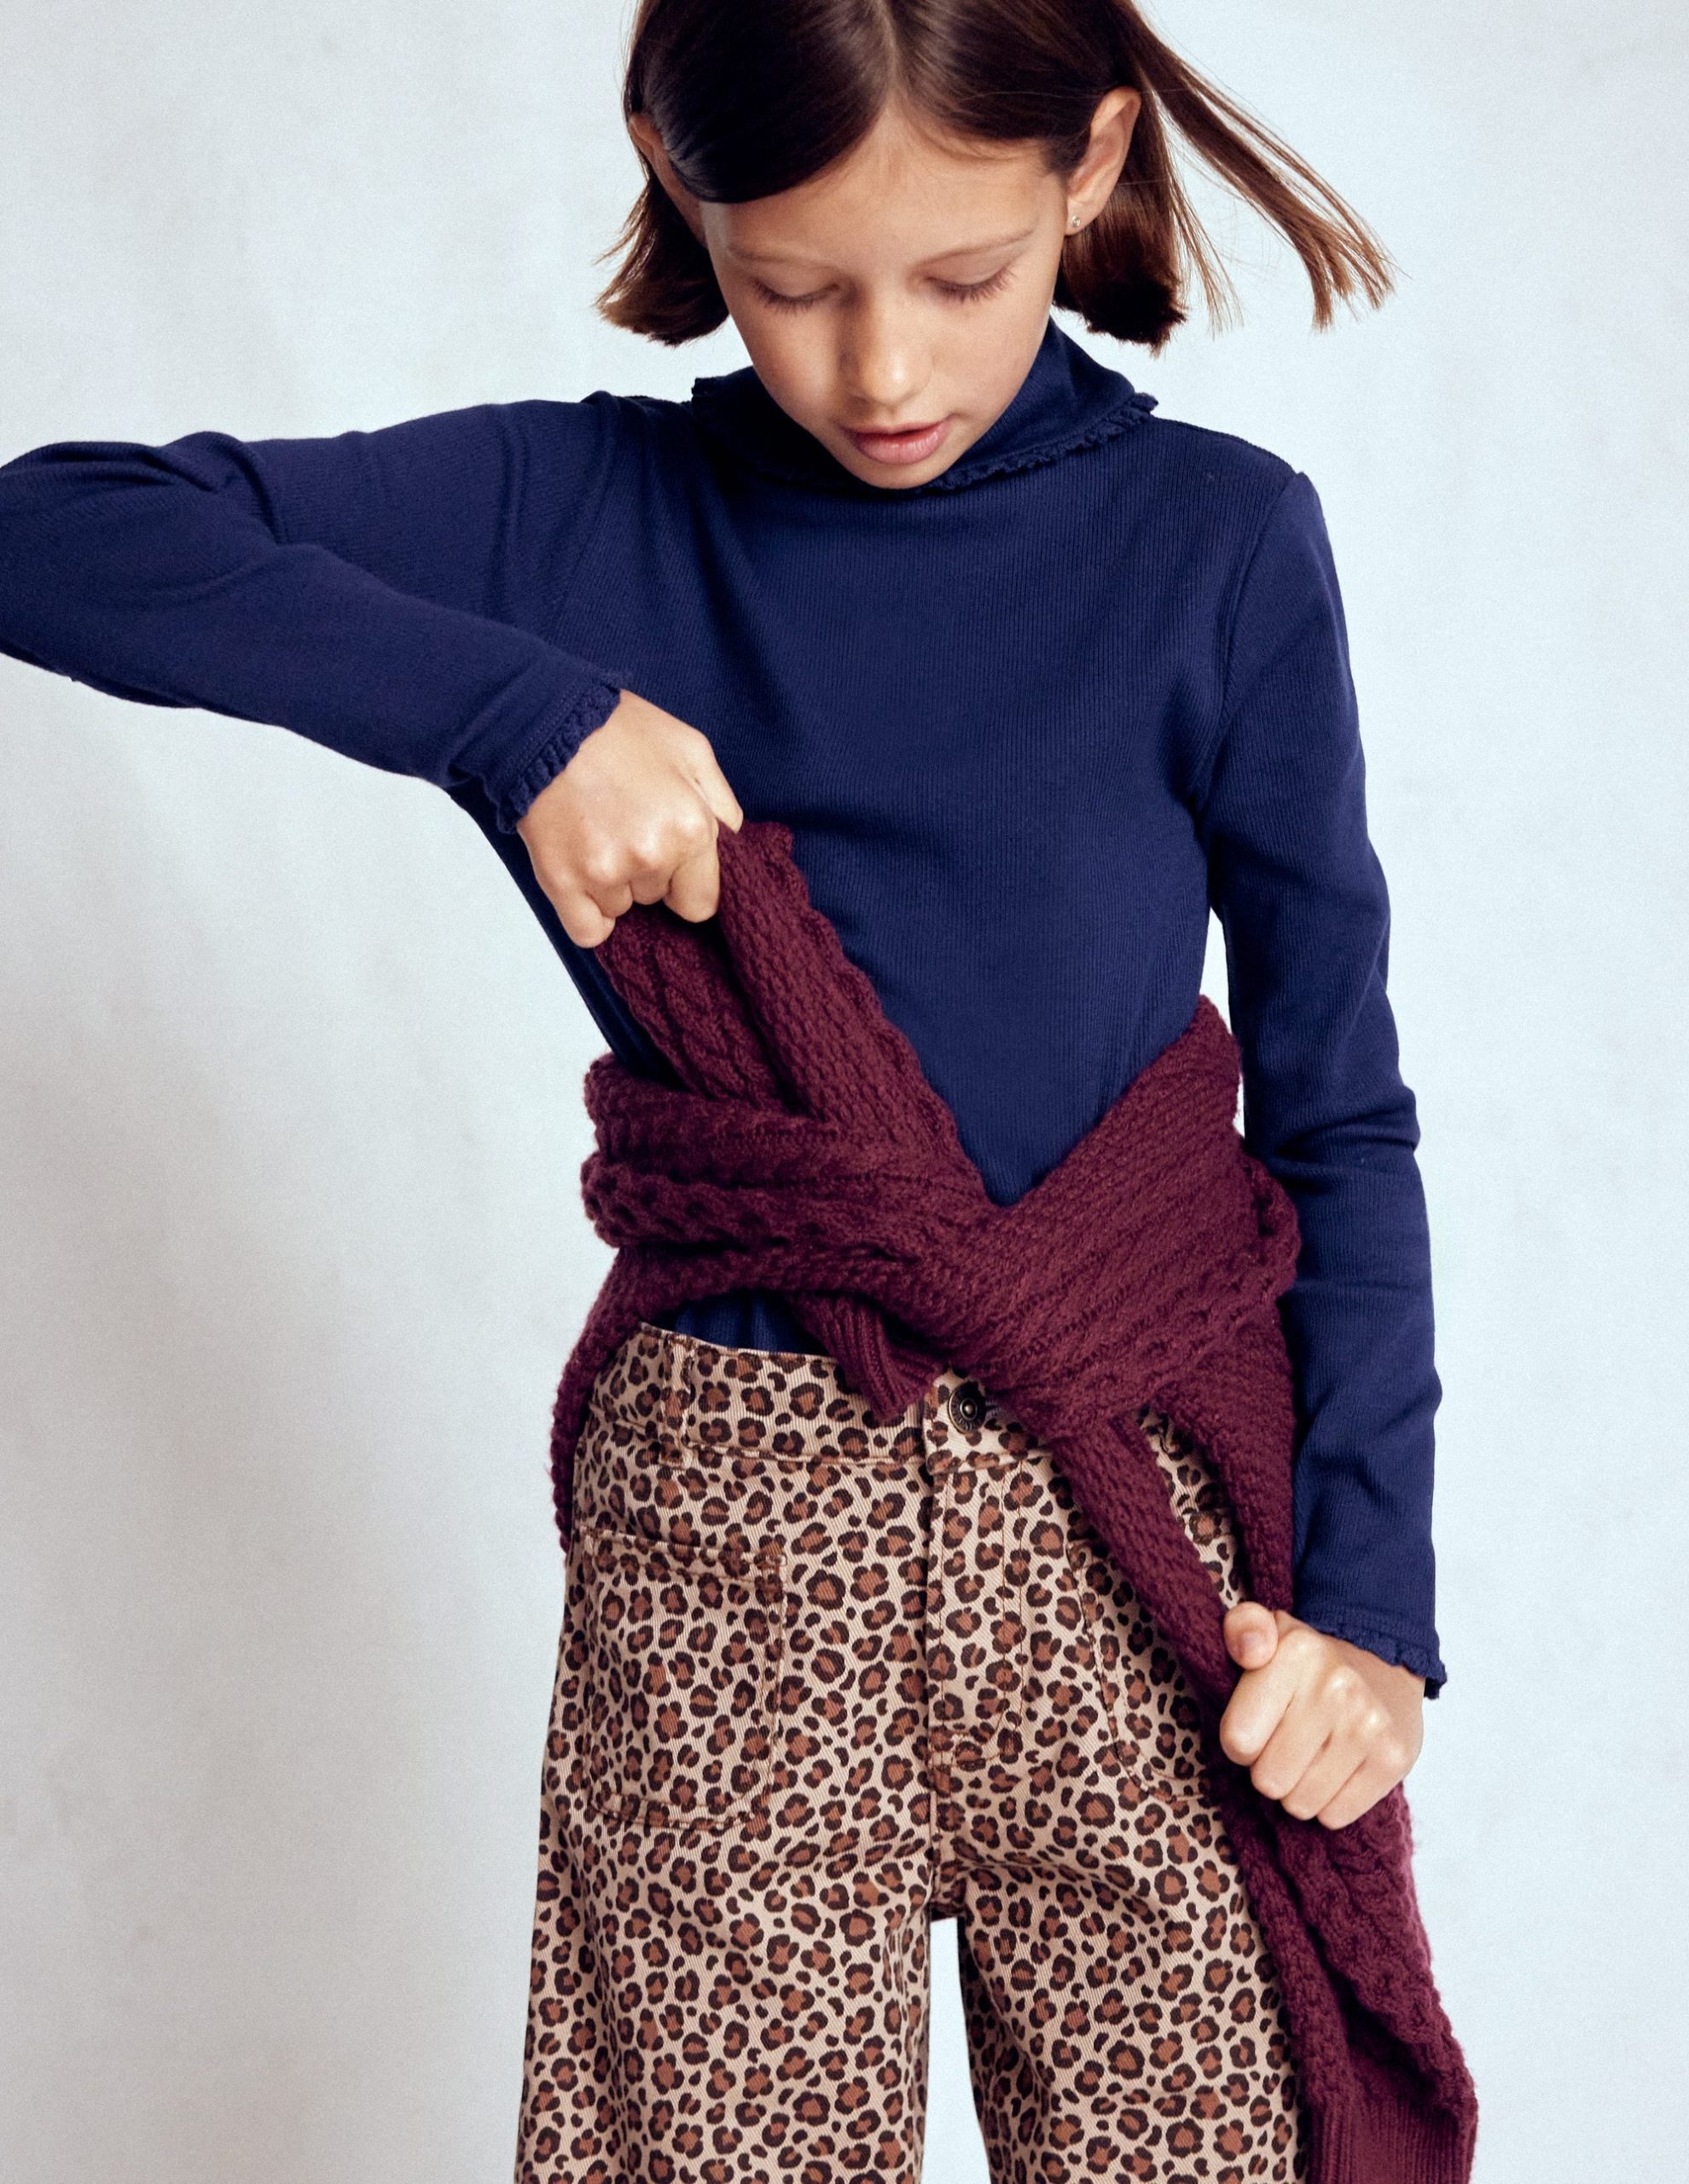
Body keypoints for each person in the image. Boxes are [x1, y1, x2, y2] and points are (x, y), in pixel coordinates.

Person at [0, 3, 1465, 2177]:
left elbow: (1336, 1120)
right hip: (736, 1536)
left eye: (960, 275)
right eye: (793, 284)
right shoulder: (583, 511)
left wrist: (1376, 1611)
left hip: (1141, 1523)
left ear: (1089, 164)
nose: (882, 367)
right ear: (678, 183)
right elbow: (53, 529)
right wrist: (518, 716)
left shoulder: (1218, 542)